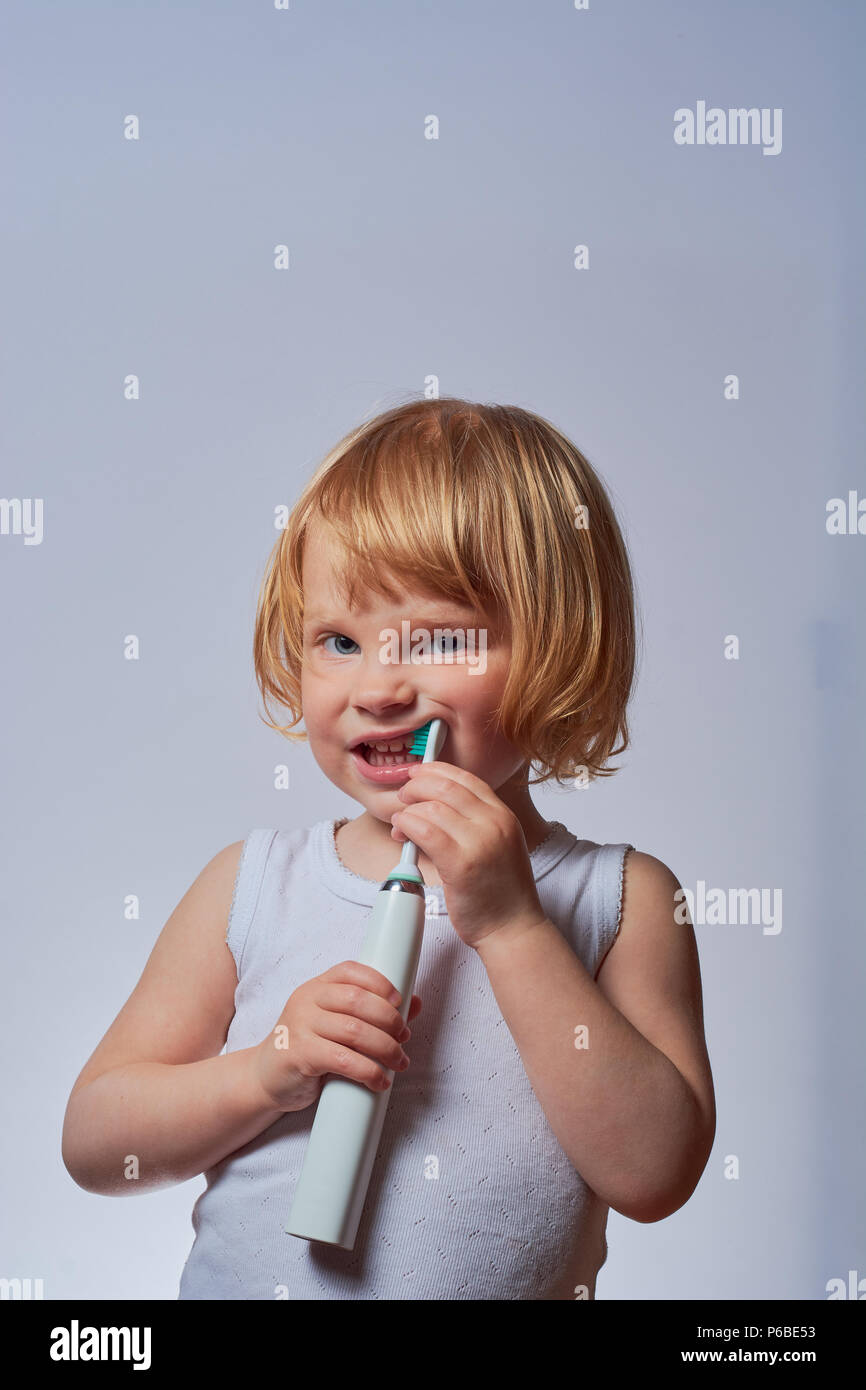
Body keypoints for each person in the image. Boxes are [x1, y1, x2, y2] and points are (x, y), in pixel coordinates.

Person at [62, 396, 715, 1300]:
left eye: (441, 638)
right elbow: (99, 1145)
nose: (377, 687)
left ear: (563, 647)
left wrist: (517, 928)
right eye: (339, 640)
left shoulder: (623, 901)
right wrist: (264, 1072)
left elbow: (654, 1175)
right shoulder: (254, 885)